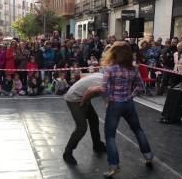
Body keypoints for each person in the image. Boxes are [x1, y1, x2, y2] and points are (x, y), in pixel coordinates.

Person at [94, 41, 153, 177]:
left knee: (110, 136)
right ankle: (148, 156)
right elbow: (140, 87)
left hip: (115, 104)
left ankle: (114, 167)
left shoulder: (110, 69)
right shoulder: (133, 69)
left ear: (114, 53)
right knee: (137, 129)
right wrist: (130, 96)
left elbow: (103, 88)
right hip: (128, 103)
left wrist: (106, 100)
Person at [62, 72, 107, 165]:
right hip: (74, 99)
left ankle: (97, 145)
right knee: (81, 128)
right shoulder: (105, 84)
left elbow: (84, 76)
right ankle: (67, 153)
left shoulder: (102, 75)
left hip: (81, 95)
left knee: (94, 118)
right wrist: (83, 103)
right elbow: (90, 90)